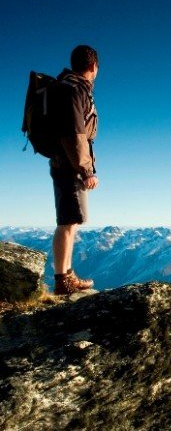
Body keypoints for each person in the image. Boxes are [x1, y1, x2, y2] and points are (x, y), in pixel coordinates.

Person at [50, 45, 100, 295]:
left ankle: (67, 274)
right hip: (70, 167)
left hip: (65, 163)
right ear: (93, 66)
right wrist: (86, 170)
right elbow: (76, 135)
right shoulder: (75, 90)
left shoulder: (66, 87)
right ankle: (62, 279)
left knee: (71, 221)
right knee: (68, 222)